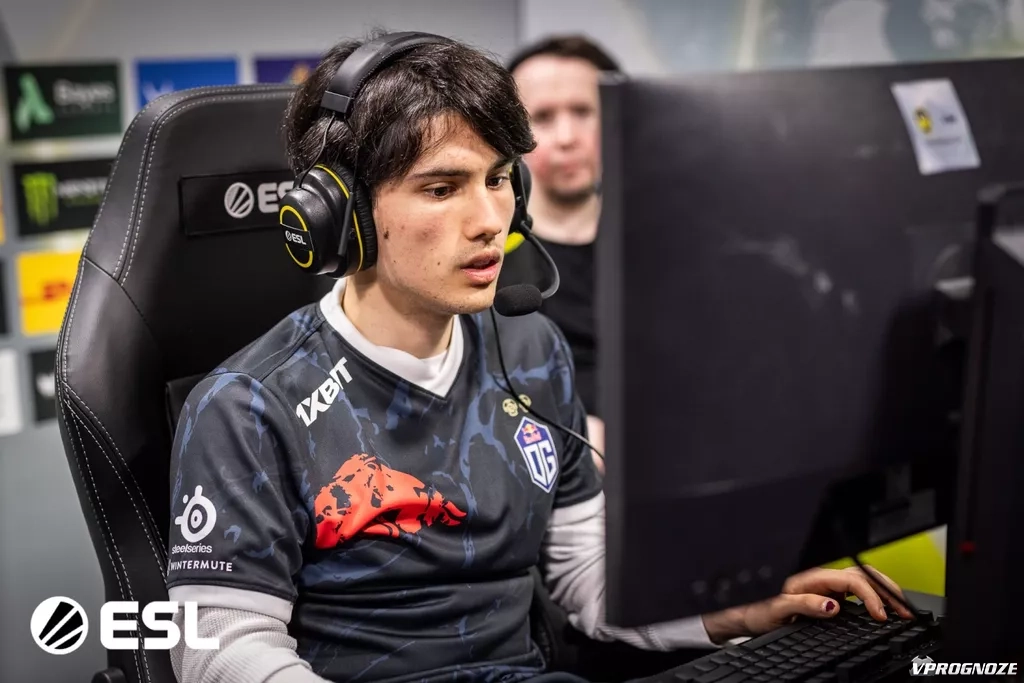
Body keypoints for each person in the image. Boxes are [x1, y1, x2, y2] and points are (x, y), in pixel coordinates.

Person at [166, 31, 912, 683]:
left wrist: (735, 610)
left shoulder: (531, 347)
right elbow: (222, 646)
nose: (491, 220)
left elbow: (585, 576)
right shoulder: (249, 404)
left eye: (498, 179)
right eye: (442, 188)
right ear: (344, 218)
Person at [497, 36, 620, 472]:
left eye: (583, 112)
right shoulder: (487, 257)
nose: (567, 138)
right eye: (544, 118)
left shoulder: (662, 241)